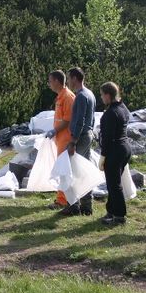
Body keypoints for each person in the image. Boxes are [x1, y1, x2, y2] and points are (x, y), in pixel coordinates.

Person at [60, 67, 96, 216]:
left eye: (69, 78)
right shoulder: (90, 94)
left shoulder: (81, 96)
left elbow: (79, 120)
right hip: (88, 134)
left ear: (75, 78)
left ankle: (73, 205)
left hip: (79, 137)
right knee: (83, 170)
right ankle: (86, 206)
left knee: (72, 171)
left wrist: (73, 141)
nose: (68, 81)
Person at [98, 82, 132, 226]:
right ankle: (111, 211)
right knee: (113, 182)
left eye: (101, 95)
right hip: (125, 148)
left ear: (107, 95)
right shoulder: (122, 108)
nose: (101, 98)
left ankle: (119, 215)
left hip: (114, 150)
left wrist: (103, 156)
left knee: (114, 184)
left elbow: (107, 138)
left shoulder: (110, 113)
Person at [44, 70, 75, 210]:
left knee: (64, 170)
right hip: (60, 139)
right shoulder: (60, 97)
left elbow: (67, 120)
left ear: (57, 81)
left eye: (50, 81)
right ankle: (65, 198)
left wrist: (55, 130)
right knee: (63, 169)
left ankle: (63, 200)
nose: (49, 84)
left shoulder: (67, 97)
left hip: (65, 138)